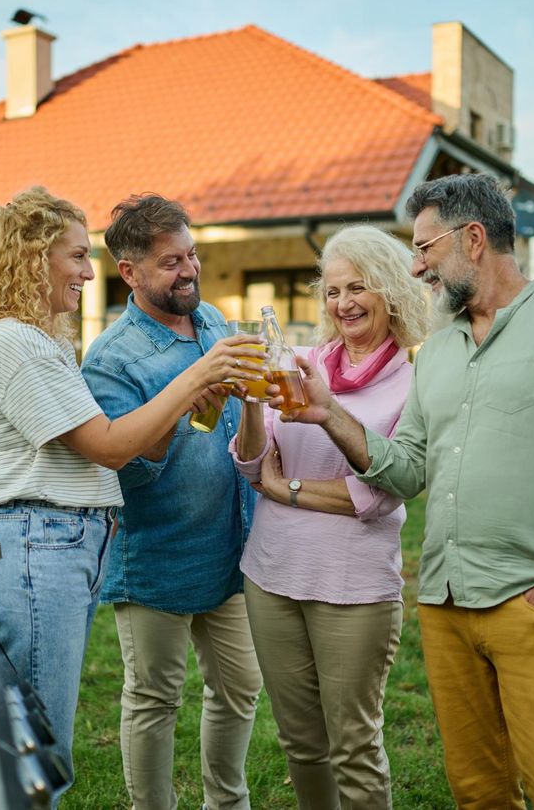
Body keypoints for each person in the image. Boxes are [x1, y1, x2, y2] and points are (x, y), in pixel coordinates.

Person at [269, 173, 534, 810]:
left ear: (473, 239)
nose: (416, 268)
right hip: (446, 604)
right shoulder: (437, 353)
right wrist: (329, 412)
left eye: (424, 249)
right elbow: (406, 468)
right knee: (477, 793)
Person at [0, 187, 262, 804]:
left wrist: (198, 406)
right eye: (74, 256)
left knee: (38, 745)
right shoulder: (22, 346)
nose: (84, 271)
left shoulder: (41, 342)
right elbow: (107, 446)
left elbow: (128, 446)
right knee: (37, 751)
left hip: (65, 548)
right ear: (30, 258)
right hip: (39, 550)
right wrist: (197, 378)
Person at [230, 224, 429, 809]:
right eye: (333, 291)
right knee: (300, 743)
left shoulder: (414, 385)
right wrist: (247, 405)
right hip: (271, 574)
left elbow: (374, 496)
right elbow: (249, 465)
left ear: (390, 293)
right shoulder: (297, 362)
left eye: (358, 288)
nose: (343, 304)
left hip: (354, 586)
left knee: (353, 745)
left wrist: (285, 486)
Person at [81, 194, 263, 810]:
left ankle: (226, 803)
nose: (188, 271)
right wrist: (191, 395)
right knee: (155, 699)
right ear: (129, 272)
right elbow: (126, 469)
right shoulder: (112, 358)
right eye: (170, 262)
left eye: (192, 255)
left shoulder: (212, 319)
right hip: (157, 555)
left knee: (239, 688)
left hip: (231, 546)